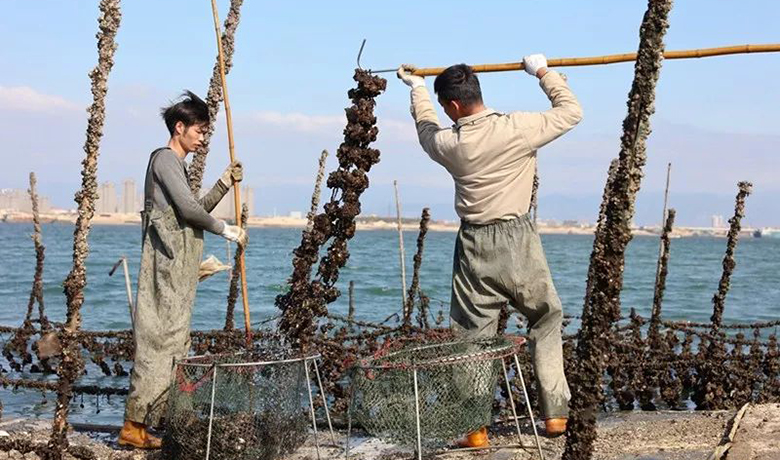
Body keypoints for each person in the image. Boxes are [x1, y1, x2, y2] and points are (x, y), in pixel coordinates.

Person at [397, 54, 582, 446]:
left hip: (474, 244)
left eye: (444, 107)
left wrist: (416, 89)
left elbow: (426, 129)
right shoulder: (518, 127)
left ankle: (475, 428)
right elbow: (570, 111)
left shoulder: (450, 143)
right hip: (519, 240)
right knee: (546, 317)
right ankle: (556, 414)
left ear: (453, 105)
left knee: (472, 336)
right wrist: (543, 73)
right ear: (476, 92)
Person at [118, 91, 248, 449]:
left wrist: (224, 182)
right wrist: (225, 230)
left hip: (179, 270)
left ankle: (157, 422)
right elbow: (191, 212)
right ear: (180, 127)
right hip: (165, 268)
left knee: (176, 344)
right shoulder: (164, 159)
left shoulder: (177, 165)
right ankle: (133, 426)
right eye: (199, 131)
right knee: (158, 343)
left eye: (206, 132)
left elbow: (192, 209)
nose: (203, 138)